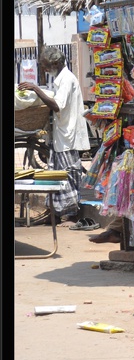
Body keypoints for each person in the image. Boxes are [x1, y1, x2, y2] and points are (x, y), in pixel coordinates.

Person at [18, 47, 92, 227]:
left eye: (46, 66)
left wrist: (36, 89)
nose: (44, 69)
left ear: (56, 64)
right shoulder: (60, 79)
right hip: (61, 134)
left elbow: (57, 105)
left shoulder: (66, 79)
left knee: (68, 174)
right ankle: (56, 213)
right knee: (57, 174)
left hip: (69, 134)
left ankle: (72, 214)